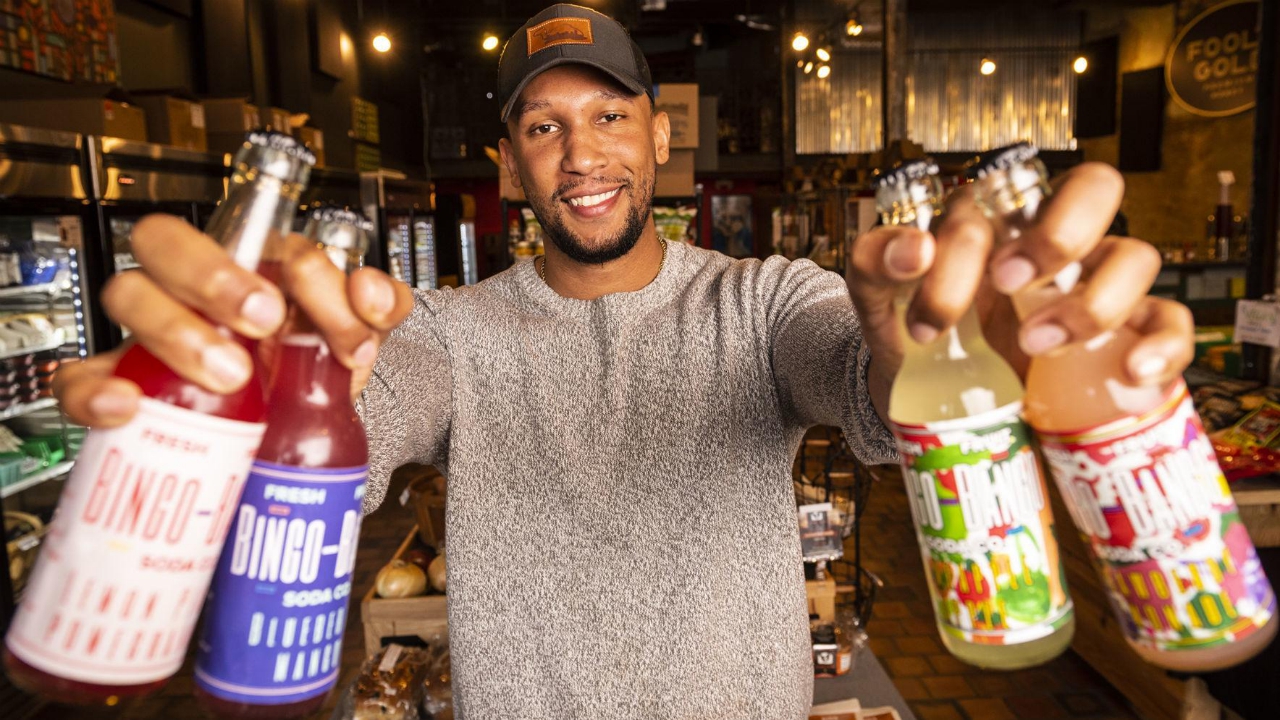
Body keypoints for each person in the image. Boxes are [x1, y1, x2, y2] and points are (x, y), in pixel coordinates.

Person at [56, 4, 1191, 718]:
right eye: (542, 127)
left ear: (659, 133)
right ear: (507, 164)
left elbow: (875, 398)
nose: (579, 152)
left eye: (607, 116)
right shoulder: (445, 329)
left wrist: (966, 341)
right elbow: (355, 431)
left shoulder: (762, 303)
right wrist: (234, 420)